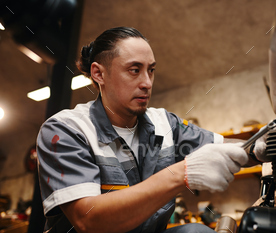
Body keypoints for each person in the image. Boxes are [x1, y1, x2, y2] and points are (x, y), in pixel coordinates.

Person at [36, 27, 262, 233]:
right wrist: (179, 174)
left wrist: (266, 145)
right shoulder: (66, 130)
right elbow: (90, 220)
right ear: (99, 74)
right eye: (134, 70)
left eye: (151, 70)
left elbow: (235, 150)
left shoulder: (165, 123)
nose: (147, 82)